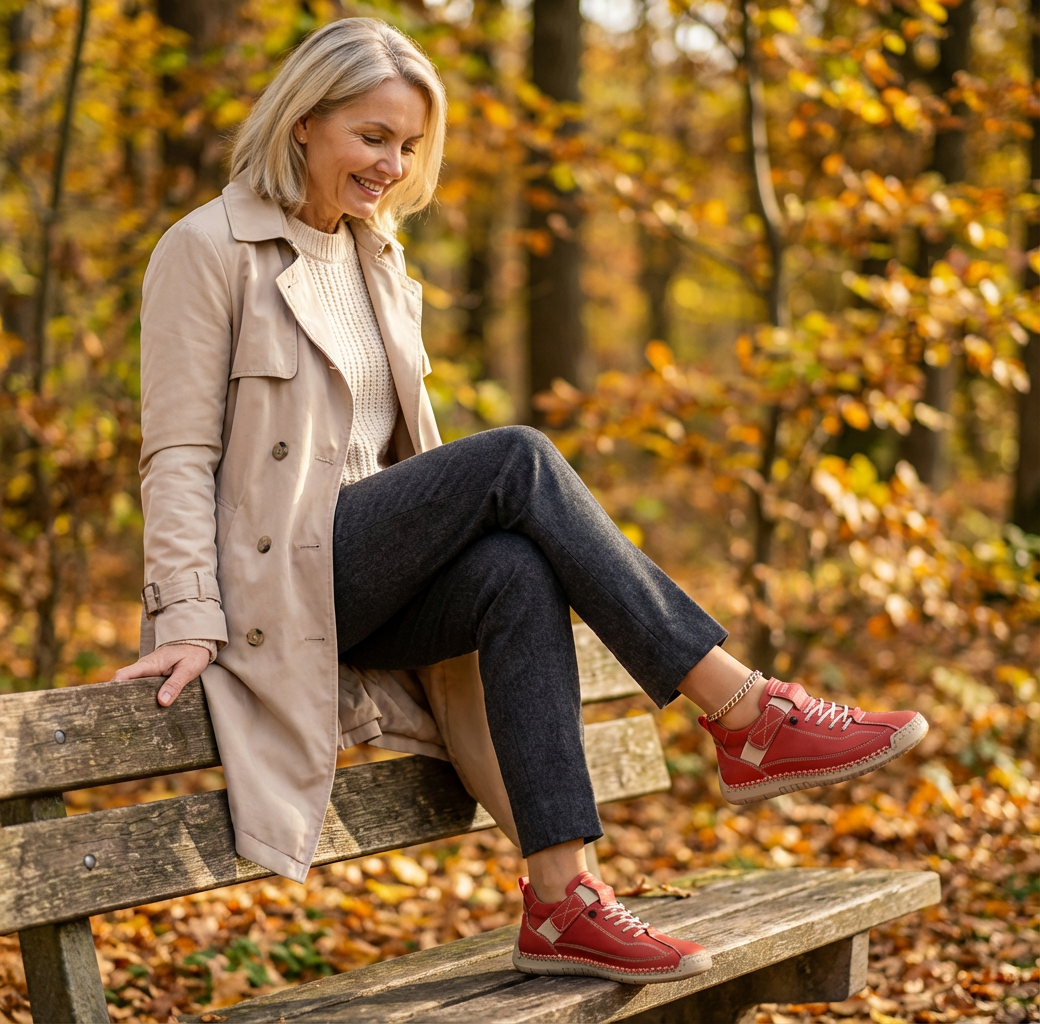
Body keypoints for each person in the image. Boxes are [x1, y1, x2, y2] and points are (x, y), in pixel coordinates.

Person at [114, 18, 928, 985]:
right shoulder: (207, 248)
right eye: (372, 137)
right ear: (302, 122)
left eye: (409, 146)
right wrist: (188, 612)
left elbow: (387, 452)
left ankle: (560, 901)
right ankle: (747, 714)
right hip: (274, 577)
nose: (392, 165)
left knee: (513, 570)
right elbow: (177, 451)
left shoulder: (377, 261)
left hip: (362, 568)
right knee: (517, 459)